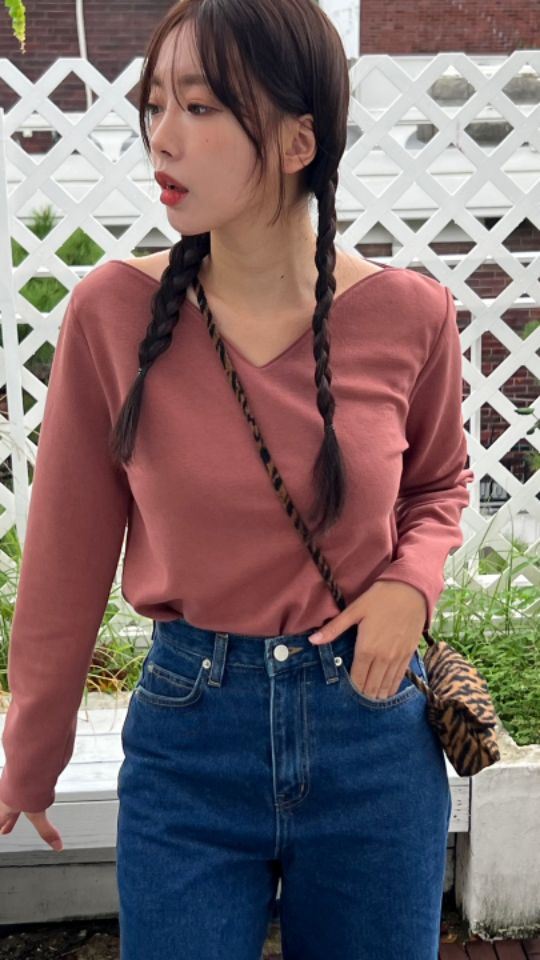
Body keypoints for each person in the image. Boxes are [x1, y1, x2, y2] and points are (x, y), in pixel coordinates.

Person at [0, 0, 474, 956]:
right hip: (191, 741)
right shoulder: (112, 313)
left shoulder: (412, 314)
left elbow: (439, 486)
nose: (162, 136)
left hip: (373, 733)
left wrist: (410, 587)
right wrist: (31, 754)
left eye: (202, 106)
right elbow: (65, 557)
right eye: (155, 104)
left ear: (300, 139)